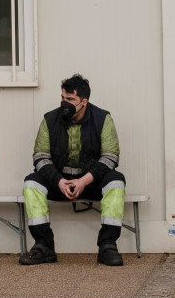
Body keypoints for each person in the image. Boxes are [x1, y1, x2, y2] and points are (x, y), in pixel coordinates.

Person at [19, 73, 126, 267]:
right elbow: (40, 157)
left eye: (70, 99)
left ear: (84, 102)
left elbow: (111, 157)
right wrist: (59, 181)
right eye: (62, 98)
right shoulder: (49, 119)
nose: (64, 103)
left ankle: (108, 246)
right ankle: (43, 246)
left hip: (90, 183)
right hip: (59, 183)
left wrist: (83, 181)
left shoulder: (103, 119)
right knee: (31, 182)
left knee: (116, 181)